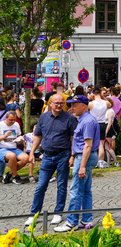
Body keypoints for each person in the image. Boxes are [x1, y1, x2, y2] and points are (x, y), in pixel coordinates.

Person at [25, 95, 77, 226]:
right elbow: (38, 136)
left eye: (61, 103)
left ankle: (58, 213)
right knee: (41, 186)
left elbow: (73, 138)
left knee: (61, 186)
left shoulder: (69, 118)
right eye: (56, 103)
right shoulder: (43, 117)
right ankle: (34, 214)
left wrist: (72, 155)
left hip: (63, 155)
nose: (59, 105)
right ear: (50, 103)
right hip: (47, 156)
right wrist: (32, 153)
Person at [54, 95, 100, 232]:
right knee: (85, 191)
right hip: (84, 156)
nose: (71, 108)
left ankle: (71, 222)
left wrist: (82, 166)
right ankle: (87, 220)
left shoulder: (87, 121)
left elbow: (87, 145)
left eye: (74, 105)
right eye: (71, 105)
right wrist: (74, 155)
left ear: (83, 106)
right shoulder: (84, 120)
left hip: (85, 157)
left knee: (76, 191)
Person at [0, 111, 28, 184]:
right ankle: (15, 176)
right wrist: (4, 136)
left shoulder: (16, 124)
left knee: (25, 158)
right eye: (11, 120)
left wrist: (20, 140)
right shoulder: (0, 125)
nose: (13, 121)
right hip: (2, 149)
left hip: (14, 148)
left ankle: (9, 174)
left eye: (14, 120)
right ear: (6, 118)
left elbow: (19, 136)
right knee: (12, 156)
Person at [88, 88, 112, 169]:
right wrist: (103, 97)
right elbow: (110, 104)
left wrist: (89, 97)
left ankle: (92, 160)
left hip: (93, 123)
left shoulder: (91, 103)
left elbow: (84, 105)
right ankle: (101, 161)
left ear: (93, 94)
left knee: (90, 143)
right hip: (102, 123)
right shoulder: (105, 103)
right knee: (101, 144)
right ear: (101, 94)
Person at [103, 98, 120, 167]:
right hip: (105, 127)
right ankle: (109, 161)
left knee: (107, 147)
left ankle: (115, 161)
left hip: (108, 128)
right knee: (106, 147)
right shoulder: (105, 110)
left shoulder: (110, 111)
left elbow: (110, 123)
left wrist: (106, 132)